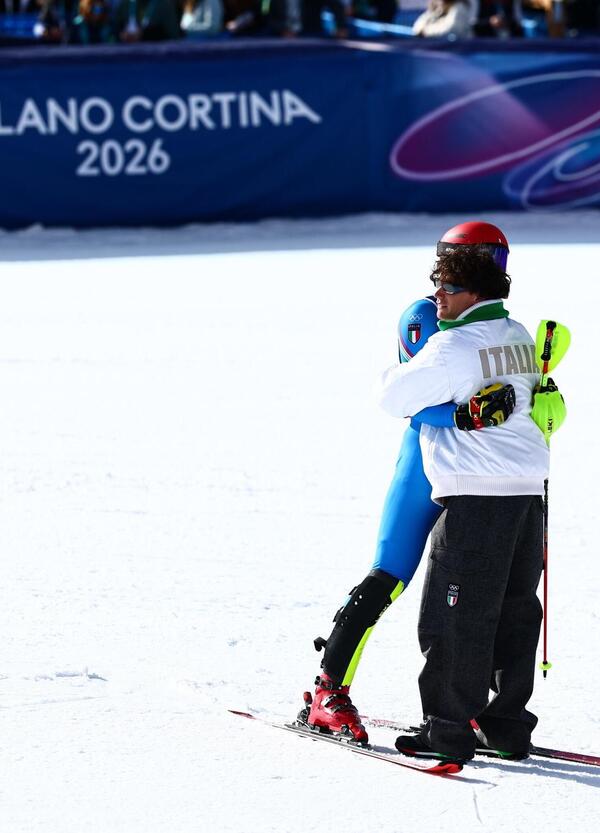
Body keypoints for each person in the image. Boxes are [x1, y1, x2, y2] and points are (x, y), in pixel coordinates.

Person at [297, 223, 517, 746]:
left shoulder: (491, 326)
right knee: (388, 578)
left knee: (482, 592)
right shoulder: (426, 315)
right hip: (423, 467)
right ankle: (328, 691)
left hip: (477, 473)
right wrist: (465, 416)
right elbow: (412, 405)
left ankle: (468, 708)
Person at [377, 226, 550, 764]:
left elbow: (393, 396)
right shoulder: (517, 333)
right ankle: (505, 726)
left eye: (446, 289)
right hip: (528, 493)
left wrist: (407, 367)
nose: (438, 299)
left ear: (472, 291)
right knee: (514, 610)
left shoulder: (451, 347)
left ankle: (448, 729)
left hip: (477, 495)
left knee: (454, 615)